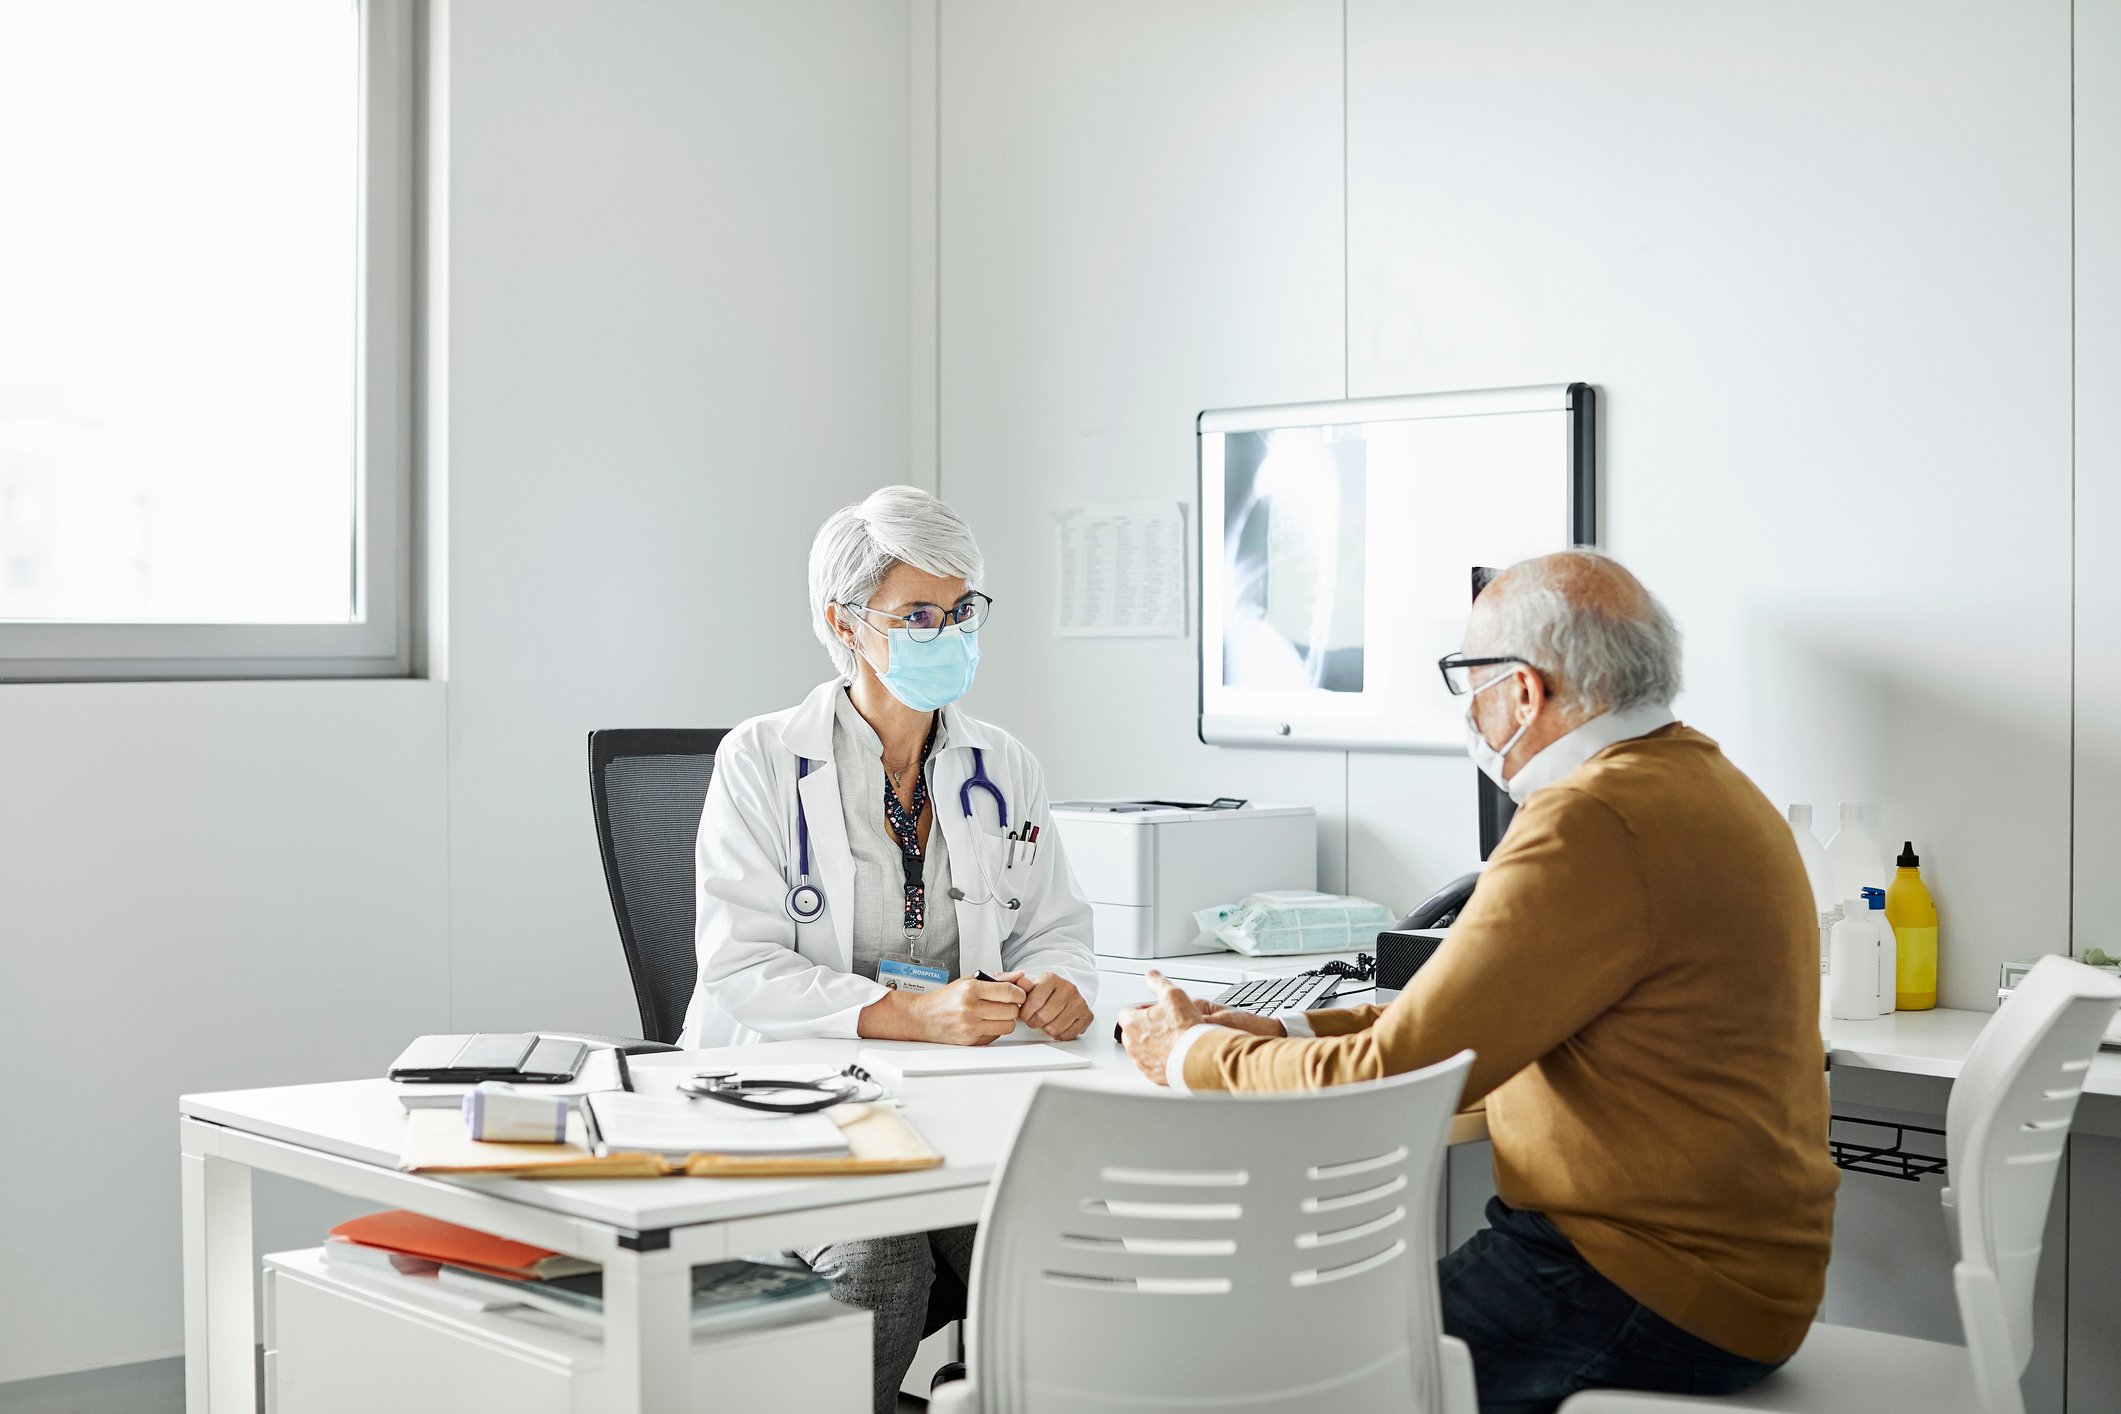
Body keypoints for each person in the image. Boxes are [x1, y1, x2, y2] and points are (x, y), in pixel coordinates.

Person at [1120, 550, 1837, 1414]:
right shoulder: (1705, 784)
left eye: (1469, 681)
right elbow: (1464, 1018)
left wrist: (1187, 1053)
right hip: (1731, 1279)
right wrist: (1275, 1031)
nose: (1468, 709)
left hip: (1634, 1283)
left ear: (1523, 691)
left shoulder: (1588, 818)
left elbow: (1396, 1072)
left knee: (1278, 1379)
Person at [679, 485, 1098, 1414]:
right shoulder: (760, 761)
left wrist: (1059, 983)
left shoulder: (1003, 766)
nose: (947, 634)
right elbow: (742, 967)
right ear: (845, 624)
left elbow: (1055, 928)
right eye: (917, 615)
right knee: (881, 1259)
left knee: (1060, 1242)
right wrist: (912, 1015)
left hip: (956, 1104)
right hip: (794, 1103)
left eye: (961, 609)